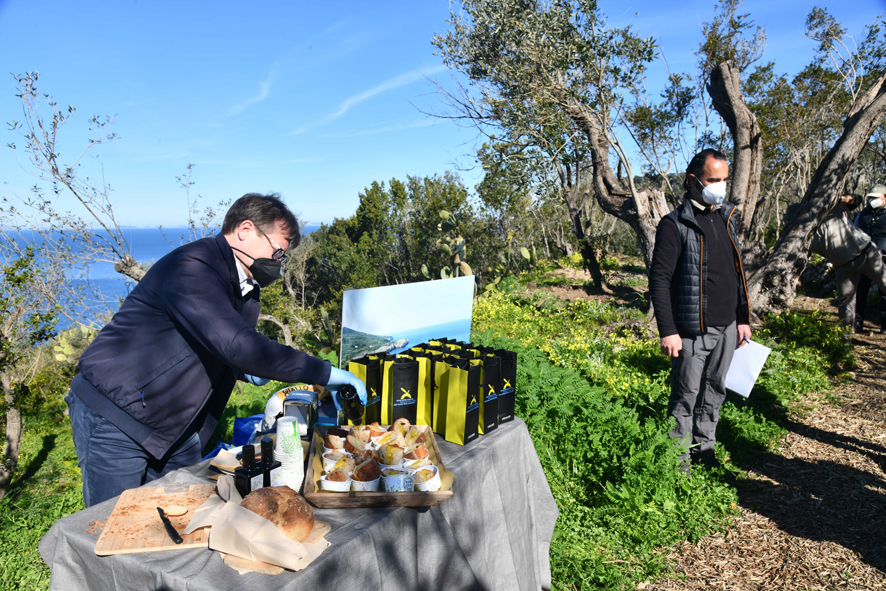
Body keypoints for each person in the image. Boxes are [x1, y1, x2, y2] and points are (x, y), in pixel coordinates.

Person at [66, 193, 367, 507]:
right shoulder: (193, 267)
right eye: (277, 250)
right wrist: (325, 372)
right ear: (245, 230)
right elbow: (237, 345)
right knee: (113, 525)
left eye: (283, 255)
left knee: (178, 517)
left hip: (176, 425)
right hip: (118, 417)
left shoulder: (246, 290)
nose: (279, 261)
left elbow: (215, 346)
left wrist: (243, 372)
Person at [648, 149, 752, 476]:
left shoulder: (723, 218)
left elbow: (734, 273)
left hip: (727, 326)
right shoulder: (674, 224)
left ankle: (704, 454)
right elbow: (660, 279)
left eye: (723, 180)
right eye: (713, 180)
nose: (720, 187)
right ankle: (678, 468)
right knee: (685, 399)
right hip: (693, 330)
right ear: (693, 180)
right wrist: (668, 330)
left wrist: (743, 319)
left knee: (715, 393)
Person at [809, 191, 886, 333]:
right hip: (843, 266)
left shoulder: (834, 209)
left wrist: (841, 198)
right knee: (846, 302)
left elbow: (856, 199)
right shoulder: (802, 231)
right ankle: (845, 339)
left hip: (866, 254)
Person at [852, 185, 886, 333]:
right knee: (860, 291)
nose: (873, 200)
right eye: (871, 197)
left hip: (884, 259)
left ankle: (884, 325)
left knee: (884, 294)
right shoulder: (863, 214)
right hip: (865, 257)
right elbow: (854, 231)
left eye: (876, 197)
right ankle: (857, 323)